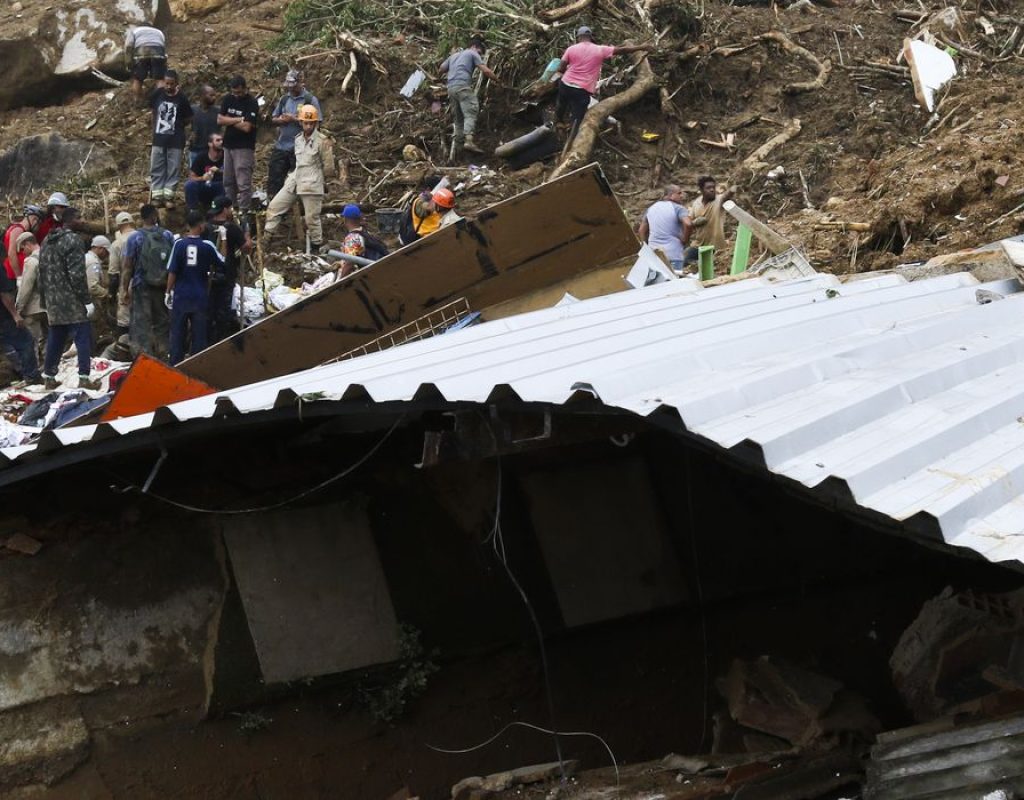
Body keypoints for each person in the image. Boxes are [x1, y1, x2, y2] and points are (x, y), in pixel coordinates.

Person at [38, 208, 95, 389]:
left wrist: (45, 301)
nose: (83, 220)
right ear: (71, 221)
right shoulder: (73, 241)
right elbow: (77, 275)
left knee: (56, 337)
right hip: (71, 301)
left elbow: (42, 273)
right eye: (80, 218)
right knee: (83, 337)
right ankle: (84, 378)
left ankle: (49, 377)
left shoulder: (47, 241)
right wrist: (86, 300)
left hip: (53, 301)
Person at [263, 104, 335, 249]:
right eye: (305, 123)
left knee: (311, 218)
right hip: (296, 178)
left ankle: (316, 245)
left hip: (312, 181)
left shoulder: (322, 141)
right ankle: (266, 238)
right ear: (301, 122)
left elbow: (329, 167)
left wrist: (324, 182)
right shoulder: (298, 139)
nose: (308, 126)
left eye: (311, 123)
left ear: (315, 123)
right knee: (275, 206)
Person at [555, 26, 651, 130]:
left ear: (578, 37)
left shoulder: (571, 49)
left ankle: (559, 122)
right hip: (582, 89)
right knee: (578, 114)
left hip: (565, 84)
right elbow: (622, 50)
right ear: (590, 37)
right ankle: (572, 132)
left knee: (561, 103)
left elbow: (561, 68)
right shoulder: (600, 49)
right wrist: (641, 47)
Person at [166, 210, 224, 365]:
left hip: (181, 296)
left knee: (178, 333)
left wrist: (167, 292)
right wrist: (223, 239)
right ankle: (198, 366)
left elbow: (173, 271)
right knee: (199, 335)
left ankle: (175, 365)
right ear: (200, 226)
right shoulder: (207, 246)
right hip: (199, 296)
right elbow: (222, 261)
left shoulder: (179, 244)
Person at [125, 204, 174, 359]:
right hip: (163, 286)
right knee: (163, 323)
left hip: (142, 287)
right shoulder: (167, 235)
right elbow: (174, 264)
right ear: (155, 216)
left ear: (141, 218)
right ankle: (164, 355)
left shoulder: (134, 237)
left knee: (141, 325)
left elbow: (127, 267)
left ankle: (144, 359)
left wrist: (123, 289)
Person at [268, 69, 321, 200]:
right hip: (282, 145)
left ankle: (300, 207)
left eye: (294, 86)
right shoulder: (285, 99)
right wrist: (281, 120)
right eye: (289, 86)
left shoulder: (309, 100)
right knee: (275, 177)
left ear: (300, 83)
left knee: (299, 180)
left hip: (301, 149)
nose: (291, 89)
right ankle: (275, 204)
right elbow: (273, 118)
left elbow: (317, 124)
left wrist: (295, 119)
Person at [439, 37, 499, 154]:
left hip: (451, 88)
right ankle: (469, 141)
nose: (479, 55)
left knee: (459, 118)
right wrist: (496, 79)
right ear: (474, 47)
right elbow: (485, 71)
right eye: (480, 52)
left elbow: (441, 68)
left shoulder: (454, 56)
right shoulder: (472, 52)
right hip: (462, 86)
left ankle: (459, 147)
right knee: (471, 110)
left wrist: (438, 77)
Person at [205, 195, 250, 343]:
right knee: (223, 309)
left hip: (208, 274)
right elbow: (245, 248)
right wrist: (247, 234)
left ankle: (208, 340)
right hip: (226, 273)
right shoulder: (231, 228)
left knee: (209, 309)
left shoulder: (206, 226)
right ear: (225, 209)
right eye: (230, 208)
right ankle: (221, 340)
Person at [148, 69, 193, 208]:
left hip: (176, 140)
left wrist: (178, 126)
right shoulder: (157, 94)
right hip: (159, 138)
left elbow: (189, 117)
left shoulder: (182, 98)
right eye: (166, 83)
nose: (168, 86)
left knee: (173, 168)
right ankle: (157, 196)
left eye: (171, 84)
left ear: (176, 83)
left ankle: (169, 197)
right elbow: (153, 111)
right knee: (157, 166)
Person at [218, 76, 260, 214]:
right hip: (228, 145)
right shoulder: (228, 99)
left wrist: (229, 120)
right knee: (228, 180)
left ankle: (244, 210)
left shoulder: (252, 103)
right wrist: (238, 119)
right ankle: (231, 208)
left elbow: (247, 127)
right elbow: (219, 119)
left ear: (245, 88)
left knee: (243, 182)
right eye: (234, 92)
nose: (237, 95)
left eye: (239, 93)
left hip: (244, 147)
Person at [637, 184, 691, 272]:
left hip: (655, 255)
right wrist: (685, 240)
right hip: (673, 254)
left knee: (659, 284)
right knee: (675, 284)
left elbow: (641, 231)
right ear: (671, 195)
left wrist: (646, 248)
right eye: (679, 193)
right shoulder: (678, 208)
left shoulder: (651, 209)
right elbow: (688, 224)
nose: (682, 196)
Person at [685, 176, 734, 267]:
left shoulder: (719, 200)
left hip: (716, 246)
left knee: (710, 267)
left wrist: (732, 190)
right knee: (686, 262)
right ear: (701, 190)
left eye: (713, 187)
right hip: (698, 244)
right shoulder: (696, 202)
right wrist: (694, 222)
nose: (712, 190)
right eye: (708, 188)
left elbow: (727, 196)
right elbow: (689, 220)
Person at [14, 232, 45, 360]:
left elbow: (25, 288)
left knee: (32, 343)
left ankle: (35, 373)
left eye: (22, 249)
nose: (23, 252)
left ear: (27, 244)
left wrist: (18, 310)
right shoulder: (49, 255)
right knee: (50, 340)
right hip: (51, 306)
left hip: (33, 309)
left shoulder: (31, 261)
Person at [336, 204, 389, 278]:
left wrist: (340, 283)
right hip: (377, 270)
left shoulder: (353, 238)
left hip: (368, 275)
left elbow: (349, 264)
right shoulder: (366, 233)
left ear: (345, 219)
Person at [108, 211, 135, 335]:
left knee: (124, 323)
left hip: (126, 286)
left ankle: (124, 350)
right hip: (146, 285)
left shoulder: (116, 244)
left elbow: (114, 275)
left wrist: (112, 295)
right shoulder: (143, 237)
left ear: (118, 226)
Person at [124, 23, 167, 102]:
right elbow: (163, 45)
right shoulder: (158, 32)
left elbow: (128, 46)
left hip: (141, 52)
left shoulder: (134, 31)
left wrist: (128, 62)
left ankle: (137, 100)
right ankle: (162, 100)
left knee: (138, 79)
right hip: (158, 51)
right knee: (159, 79)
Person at [184, 133, 225, 211]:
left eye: (222, 140)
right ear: (210, 144)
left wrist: (220, 171)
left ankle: (218, 212)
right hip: (204, 186)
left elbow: (233, 175)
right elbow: (192, 177)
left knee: (225, 186)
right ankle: (193, 211)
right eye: (218, 140)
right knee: (189, 185)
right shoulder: (201, 157)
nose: (221, 142)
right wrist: (203, 178)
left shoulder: (227, 156)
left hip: (220, 187)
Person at [3, 204, 42, 279]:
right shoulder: (18, 230)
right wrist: (19, 277)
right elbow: (11, 254)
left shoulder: (20, 230)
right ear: (34, 220)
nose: (38, 227)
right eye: (38, 224)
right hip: (13, 275)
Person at [189, 85, 221, 169]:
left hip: (212, 150)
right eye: (211, 95)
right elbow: (183, 123)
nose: (214, 98)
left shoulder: (218, 111)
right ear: (202, 96)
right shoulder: (193, 110)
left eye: (214, 95)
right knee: (195, 174)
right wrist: (189, 136)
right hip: (195, 149)